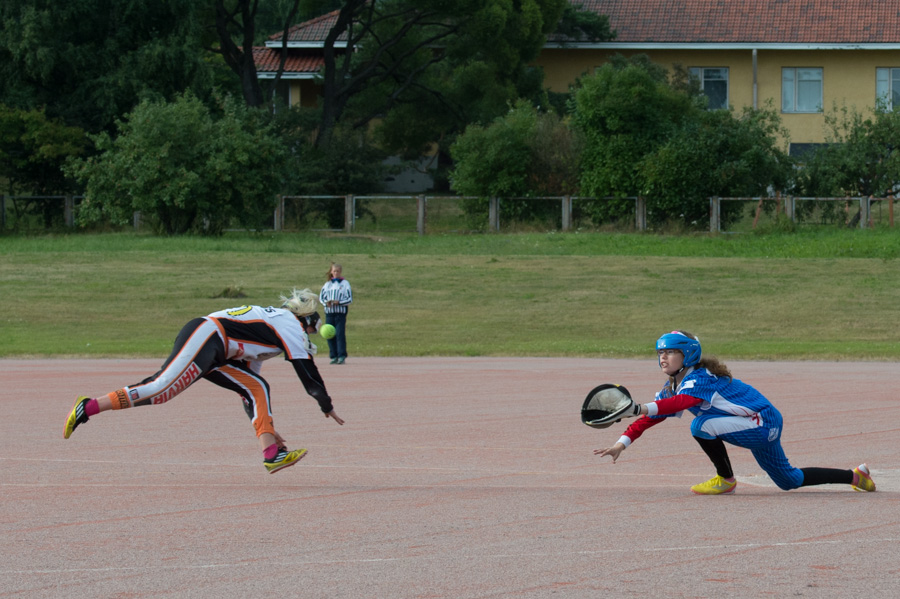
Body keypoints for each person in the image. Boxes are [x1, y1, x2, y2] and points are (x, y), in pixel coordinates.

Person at [63, 288, 345, 474]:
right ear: (305, 319)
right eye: (311, 327)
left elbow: (249, 392)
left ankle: (271, 454)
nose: (309, 334)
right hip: (208, 335)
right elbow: (306, 371)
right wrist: (325, 404)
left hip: (217, 349)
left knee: (257, 387)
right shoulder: (288, 323)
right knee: (159, 389)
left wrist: (267, 430)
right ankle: (87, 408)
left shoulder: (270, 335)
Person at [594, 330, 876, 495]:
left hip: (762, 422)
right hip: (755, 422)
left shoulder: (699, 378)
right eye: (659, 353)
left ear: (688, 354)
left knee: (700, 426)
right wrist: (622, 443)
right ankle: (856, 476)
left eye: (670, 352)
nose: (663, 357)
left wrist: (639, 406)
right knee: (788, 481)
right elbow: (655, 414)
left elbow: (679, 405)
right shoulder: (674, 385)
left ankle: (726, 479)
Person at [319, 263, 352, 364]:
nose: (336, 273)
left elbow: (349, 299)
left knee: (339, 333)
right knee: (330, 334)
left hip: (340, 313)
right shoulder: (327, 284)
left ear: (340, 272)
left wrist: (339, 302)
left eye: (338, 271)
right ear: (331, 272)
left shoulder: (345, 284)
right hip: (329, 313)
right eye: (334, 271)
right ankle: (333, 356)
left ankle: (341, 355)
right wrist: (326, 302)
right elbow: (321, 298)